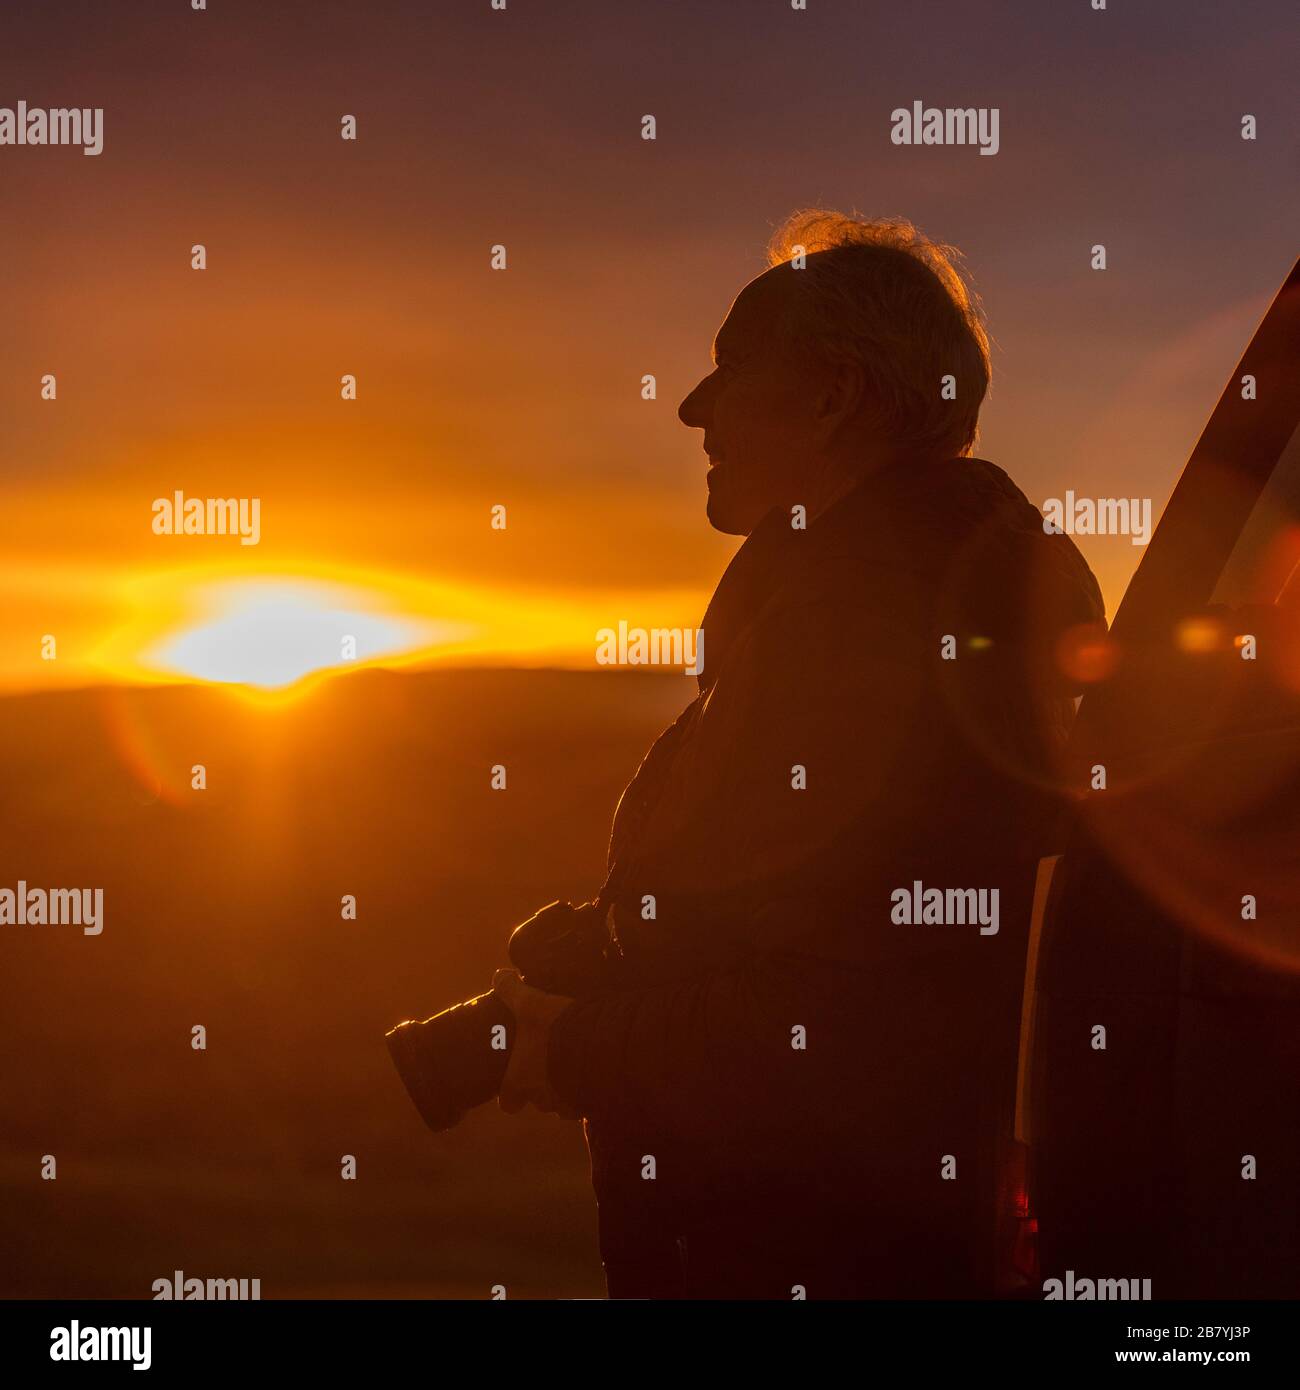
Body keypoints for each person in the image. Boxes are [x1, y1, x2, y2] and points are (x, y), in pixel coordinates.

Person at [493, 209, 1104, 1299]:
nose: (692, 407)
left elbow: (841, 1022)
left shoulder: (866, 625)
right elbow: (821, 908)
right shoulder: (948, 589)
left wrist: (573, 1050)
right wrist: (611, 940)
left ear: (832, 398)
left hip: (812, 1246)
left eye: (730, 370)